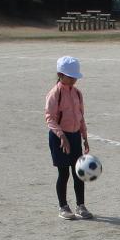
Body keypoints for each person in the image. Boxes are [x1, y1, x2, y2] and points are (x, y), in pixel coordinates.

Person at [45, 55, 93, 220]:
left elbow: (80, 116)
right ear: (60, 74)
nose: (73, 80)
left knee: (78, 172)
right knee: (63, 173)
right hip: (59, 138)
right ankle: (63, 206)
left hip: (74, 136)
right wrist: (62, 137)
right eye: (70, 77)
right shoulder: (54, 94)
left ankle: (81, 206)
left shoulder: (77, 94)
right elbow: (50, 118)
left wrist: (84, 137)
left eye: (75, 77)